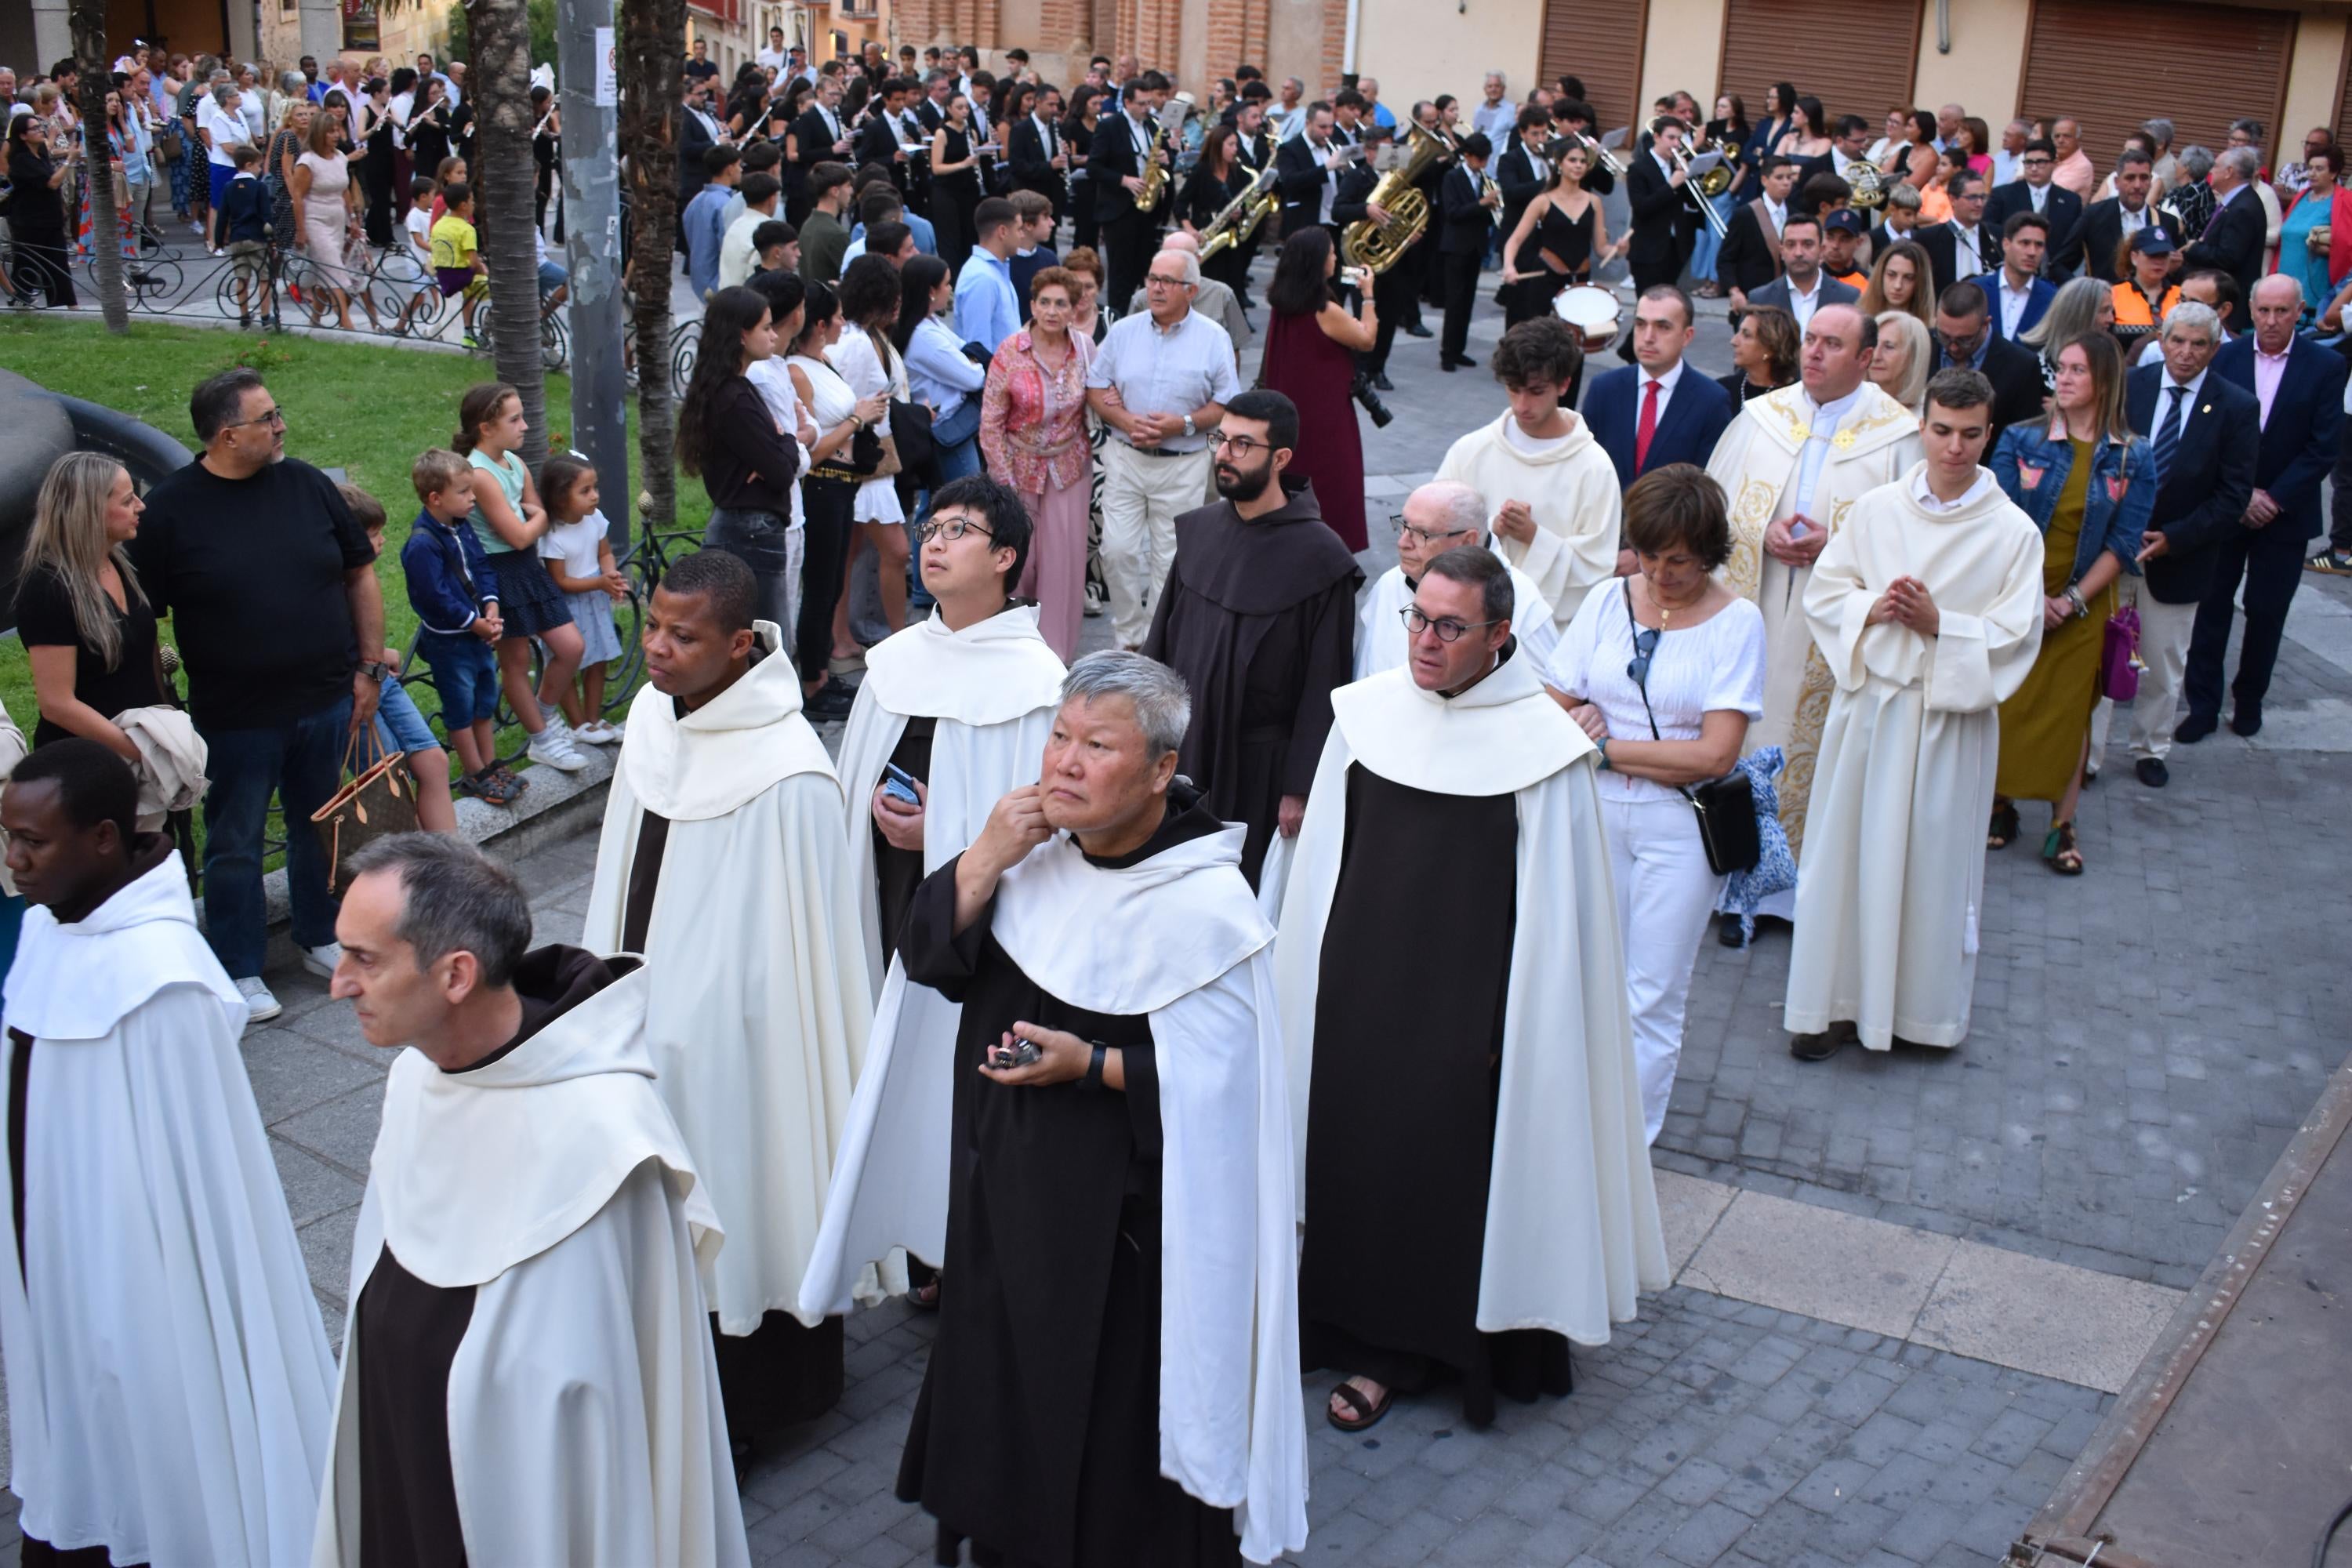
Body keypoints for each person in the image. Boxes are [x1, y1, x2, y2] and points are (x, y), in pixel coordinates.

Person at [799, 650, 1309, 1567]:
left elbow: (1230, 1097)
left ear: (1159, 770)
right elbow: (928, 961)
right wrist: (987, 854)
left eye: (1097, 746)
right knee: (998, 1404)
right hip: (1002, 1199)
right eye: (1060, 737)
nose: (1064, 763)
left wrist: (1095, 1063)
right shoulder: (1032, 857)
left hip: (1122, 1244)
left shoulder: (1203, 906)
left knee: (1101, 1445)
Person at [1276, 544, 1666, 1434]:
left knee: (1435, 1175)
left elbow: (1557, 918)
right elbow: (1325, 866)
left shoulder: (1546, 747)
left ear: (1499, 636)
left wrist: (1514, 1024)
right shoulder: (1365, 714)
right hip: (1355, 996)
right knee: (1349, 1157)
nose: (1424, 639)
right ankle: (1338, 1322)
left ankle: (1409, 1350)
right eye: (1417, 616)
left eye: (1450, 627)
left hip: (1473, 1015)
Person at [314, 833, 750, 1565]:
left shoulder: (607, 1141)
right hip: (402, 1455)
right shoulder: (417, 1078)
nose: (337, 984)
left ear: (456, 975)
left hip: (532, 1505)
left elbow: (600, 1411)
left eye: (365, 959)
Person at [0, 741, 336, 1567]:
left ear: (106, 837)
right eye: (7, 836)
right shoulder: (47, 928)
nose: (12, 860)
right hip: (53, 1243)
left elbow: (206, 1191)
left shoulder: (165, 977)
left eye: (31, 842)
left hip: (142, 1274)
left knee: (148, 1429)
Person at [578, 550, 874, 1441]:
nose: (657, 649)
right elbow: (627, 862)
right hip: (638, 995)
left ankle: (763, 1397)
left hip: (744, 1035)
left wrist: (716, 1016)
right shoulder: (650, 716)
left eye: (683, 635)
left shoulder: (789, 769)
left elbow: (803, 953)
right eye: (653, 627)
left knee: (746, 1179)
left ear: (741, 645)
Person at [1784, 369, 2046, 1058]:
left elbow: (2017, 637)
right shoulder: (1877, 510)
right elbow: (1828, 591)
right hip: (1870, 709)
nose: (1953, 448)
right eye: (1940, 431)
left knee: (1929, 869)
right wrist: (1874, 606)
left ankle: (1917, 1015)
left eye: (1969, 435)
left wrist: (1941, 625)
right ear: (1921, 428)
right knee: (1845, 859)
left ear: (1989, 435)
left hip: (1945, 723)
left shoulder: (2014, 533)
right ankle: (1831, 1006)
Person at [128, 368, 381, 1021]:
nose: (281, 425)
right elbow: (140, 614)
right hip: (236, 718)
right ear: (225, 435)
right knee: (234, 842)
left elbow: (361, 575)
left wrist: (369, 670)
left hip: (327, 696)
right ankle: (237, 965)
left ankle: (319, 934)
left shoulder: (306, 485)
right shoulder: (171, 511)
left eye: (277, 413)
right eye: (267, 418)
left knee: (317, 826)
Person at [1547, 466, 1766, 1139]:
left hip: (1680, 827)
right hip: (1592, 813)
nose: (1661, 574)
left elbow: (1714, 755)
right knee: (1584, 979)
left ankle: (1629, 1146)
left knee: (1652, 994)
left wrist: (1605, 749)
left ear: (1710, 552)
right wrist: (1578, 714)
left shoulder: (1737, 623)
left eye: (1680, 561)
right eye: (1648, 556)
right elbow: (1551, 703)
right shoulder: (1606, 601)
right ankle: (1574, 1133)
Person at [1704, 304, 1922, 923]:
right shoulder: (1762, 419)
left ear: (1865, 359)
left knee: (1818, 754)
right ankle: (1731, 883)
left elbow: (1908, 542)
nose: (1814, 354)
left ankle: (1798, 900)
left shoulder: (1897, 436)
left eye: (1833, 344)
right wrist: (1762, 532)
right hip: (1757, 611)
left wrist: (1837, 543)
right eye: (1811, 342)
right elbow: (1715, 507)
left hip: (1833, 636)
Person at [1140, 390, 1359, 894]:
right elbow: (1160, 645)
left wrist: (1299, 788)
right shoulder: (1200, 531)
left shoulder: (1322, 558)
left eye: (1243, 445)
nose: (1223, 454)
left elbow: (1325, 681)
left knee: (1244, 894)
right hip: (1185, 751)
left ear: (1280, 458)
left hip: (1262, 767)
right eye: (1221, 438)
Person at [1985, 332, 2154, 874]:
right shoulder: (2021, 439)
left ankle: (2063, 824)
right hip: (2019, 592)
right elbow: (2000, 522)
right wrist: (2036, 597)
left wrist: (2072, 601)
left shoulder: (2134, 455)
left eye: (2079, 370)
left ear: (2105, 380)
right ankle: (1999, 804)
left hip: (2086, 604)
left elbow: (2124, 544)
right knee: (2008, 700)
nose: (2065, 377)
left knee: (2072, 713)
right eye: (2062, 368)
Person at [2180, 274, 2347, 741]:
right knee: (2211, 608)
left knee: (2267, 610)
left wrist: (2272, 497)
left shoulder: (2326, 365)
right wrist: (2243, 492)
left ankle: (2249, 700)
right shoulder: (2225, 358)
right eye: (2264, 311)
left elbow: (2323, 446)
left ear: (2300, 313)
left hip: (2287, 513)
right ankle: (2203, 706)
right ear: (2249, 312)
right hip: (2227, 505)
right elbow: (2207, 434)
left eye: (2282, 311)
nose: (2272, 321)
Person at [2112, 302, 2258, 788]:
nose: (2186, 353)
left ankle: (2151, 748)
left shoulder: (2237, 405)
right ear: (2162, 340)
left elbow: (2234, 495)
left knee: (2163, 662)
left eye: (2199, 344)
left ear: (2215, 349)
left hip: (2181, 557)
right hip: (2113, 551)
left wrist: (2175, 539)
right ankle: (2084, 756)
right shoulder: (2131, 387)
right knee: (2099, 658)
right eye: (2178, 341)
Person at [1086, 247, 1241, 648]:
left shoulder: (1213, 337)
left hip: (1183, 463)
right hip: (1126, 456)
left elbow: (1226, 401)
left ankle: (1155, 643)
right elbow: (1096, 386)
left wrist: (1183, 424)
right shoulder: (1124, 331)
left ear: (1191, 290)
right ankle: (1127, 637)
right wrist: (1124, 421)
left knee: (1169, 560)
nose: (1155, 288)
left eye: (1166, 281)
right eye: (1152, 279)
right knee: (1117, 550)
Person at [1435, 318, 1624, 633]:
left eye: (1536, 391)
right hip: (1469, 630)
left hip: (1551, 635)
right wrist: (1488, 533)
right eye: (1514, 389)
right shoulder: (1470, 451)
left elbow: (1598, 568)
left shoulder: (1594, 467)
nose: (1523, 405)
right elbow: (1433, 534)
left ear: (1564, 384)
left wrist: (1535, 538)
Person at [454, 383, 590, 771]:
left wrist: (535, 518)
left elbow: (530, 523)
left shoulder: (514, 464)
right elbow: (517, 533)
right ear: (486, 427)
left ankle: (543, 715)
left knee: (570, 646)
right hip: (500, 571)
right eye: (514, 419)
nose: (525, 426)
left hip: (528, 567)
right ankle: (542, 740)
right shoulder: (479, 474)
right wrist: (541, 516)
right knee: (514, 662)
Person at [680, 284, 814, 660]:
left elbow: (777, 455)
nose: (774, 335)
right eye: (766, 327)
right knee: (768, 645)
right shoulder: (733, 397)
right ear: (742, 334)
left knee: (764, 641)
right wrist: (786, 443)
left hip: (752, 525)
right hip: (749, 530)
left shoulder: (735, 388)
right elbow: (782, 469)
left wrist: (780, 445)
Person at [784, 282, 891, 717]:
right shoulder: (796, 372)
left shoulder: (821, 360)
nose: (845, 324)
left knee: (831, 586)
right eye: (839, 317)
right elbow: (810, 450)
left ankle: (822, 673)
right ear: (821, 323)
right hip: (823, 485)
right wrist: (856, 419)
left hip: (844, 485)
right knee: (820, 585)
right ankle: (812, 681)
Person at [16, 453, 169, 757]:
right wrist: (140, 753)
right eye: (127, 501)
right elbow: (57, 704)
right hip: (91, 766)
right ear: (90, 511)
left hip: (145, 751)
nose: (141, 506)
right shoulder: (48, 589)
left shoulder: (118, 561)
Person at [981, 266, 1097, 660]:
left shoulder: (1084, 348)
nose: (1051, 310)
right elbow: (991, 422)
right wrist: (1004, 480)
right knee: (1019, 563)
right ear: (1032, 305)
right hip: (1017, 466)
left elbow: (1099, 401)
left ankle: (1055, 657)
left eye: (1060, 303)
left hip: (1070, 468)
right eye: (1044, 302)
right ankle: (1011, 651)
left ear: (1073, 308)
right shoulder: (1010, 351)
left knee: (1062, 568)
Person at [1356, 481, 1559, 678]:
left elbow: (1546, 696)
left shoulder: (1521, 600)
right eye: (1404, 525)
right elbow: (1362, 679)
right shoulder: (1389, 584)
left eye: (1422, 533)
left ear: (1467, 541)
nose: (1403, 542)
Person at [1257, 227, 1375, 553]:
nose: (1336, 257)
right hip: (1327, 418)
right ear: (1317, 260)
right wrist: (1368, 296)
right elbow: (1366, 339)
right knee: (1334, 489)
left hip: (1292, 417)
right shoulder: (1323, 309)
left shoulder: (1283, 302)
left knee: (1294, 486)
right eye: (1331, 252)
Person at [831, 255, 917, 640]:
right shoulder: (858, 344)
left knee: (847, 555)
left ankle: (842, 641)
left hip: (863, 459)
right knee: (896, 551)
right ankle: (899, 638)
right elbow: (841, 402)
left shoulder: (860, 338)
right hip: (864, 462)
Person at [1587, 285, 1737, 490]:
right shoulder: (1603, 389)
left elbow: (1709, 483)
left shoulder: (1711, 400)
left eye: (1663, 327)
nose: (1648, 337)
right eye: (1640, 324)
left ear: (1687, 336)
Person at [537, 453, 629, 745]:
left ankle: (593, 718)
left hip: (595, 599)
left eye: (595, 488)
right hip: (568, 607)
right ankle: (577, 724)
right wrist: (600, 582)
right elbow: (560, 581)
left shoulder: (595, 519)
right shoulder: (552, 536)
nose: (595, 496)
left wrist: (610, 574)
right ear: (561, 498)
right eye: (585, 491)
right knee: (568, 665)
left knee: (598, 660)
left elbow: (604, 552)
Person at [1498, 139, 1611, 329]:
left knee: (1577, 339)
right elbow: (1515, 240)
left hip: (1580, 280)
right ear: (1559, 164)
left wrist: (1619, 249)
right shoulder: (1543, 201)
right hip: (1546, 277)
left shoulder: (1594, 202)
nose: (1578, 166)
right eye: (1572, 160)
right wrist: (1509, 266)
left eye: (1583, 162)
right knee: (1542, 336)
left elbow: (1601, 248)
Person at [1933, 279, 2047, 432]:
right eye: (1944, 337)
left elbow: (2024, 437)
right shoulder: (1922, 345)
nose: (1953, 347)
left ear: (1986, 324)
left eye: (1964, 340)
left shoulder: (2022, 366)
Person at [5, 114, 77, 307]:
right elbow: (52, 183)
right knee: (27, 263)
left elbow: (51, 180)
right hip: (29, 221)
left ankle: (66, 304)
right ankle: (21, 299)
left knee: (58, 263)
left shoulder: (41, 152)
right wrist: (69, 160)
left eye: (40, 127)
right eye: (34, 129)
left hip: (50, 218)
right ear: (22, 135)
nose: (40, 131)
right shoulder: (21, 159)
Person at [2182, 147, 2267, 308]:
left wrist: (2194, 248)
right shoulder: (2237, 201)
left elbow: (2228, 257)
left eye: (2215, 166)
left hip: (2228, 302)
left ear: (2229, 172)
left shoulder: (2243, 207)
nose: (2211, 170)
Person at [1741, 214, 1856, 332]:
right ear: (1782, 252)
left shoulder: (1848, 297)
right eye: (1791, 245)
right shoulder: (1760, 300)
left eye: (1807, 244)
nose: (1798, 253)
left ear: (1821, 250)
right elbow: (1748, 348)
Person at [2277, 143, 2348, 321]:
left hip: (2315, 290)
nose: (2312, 173)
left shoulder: (2345, 200)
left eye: (2319, 169)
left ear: (2333, 173)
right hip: (2284, 285)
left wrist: (2328, 249)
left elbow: (2348, 245)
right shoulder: (2301, 197)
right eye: (2310, 168)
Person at [1715, 154, 1796, 309]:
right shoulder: (1746, 214)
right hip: (1752, 298)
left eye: (1789, 177)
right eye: (1779, 178)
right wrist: (1734, 291)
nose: (1786, 183)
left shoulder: (1796, 214)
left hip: (1785, 300)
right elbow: (1725, 258)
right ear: (1764, 180)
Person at [1719, 303, 1798, 404]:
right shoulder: (1722, 390)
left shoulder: (1798, 398)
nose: (1734, 341)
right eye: (1739, 332)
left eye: (1746, 335)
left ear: (1770, 348)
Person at [1859, 237, 1935, 334]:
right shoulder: (1859, 320)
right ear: (1880, 275)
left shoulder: (1931, 329)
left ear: (1920, 282)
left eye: (1908, 278)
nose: (1898, 285)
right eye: (1891, 275)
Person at [1870, 310, 1933, 410]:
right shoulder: (1847, 402)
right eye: (1873, 344)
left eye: (1889, 347)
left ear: (1913, 355)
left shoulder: (1930, 413)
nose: (1876, 356)